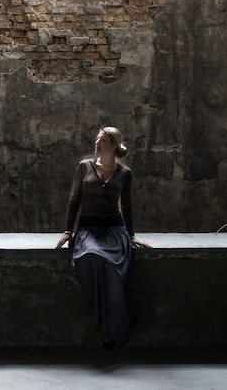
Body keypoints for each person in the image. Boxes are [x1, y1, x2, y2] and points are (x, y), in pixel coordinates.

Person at [56, 127, 151, 349]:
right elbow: (74, 200)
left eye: (103, 140)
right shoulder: (84, 167)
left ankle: (113, 331)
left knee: (116, 270)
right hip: (89, 230)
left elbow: (126, 207)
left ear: (114, 145)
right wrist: (68, 230)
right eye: (97, 139)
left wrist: (131, 235)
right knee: (92, 256)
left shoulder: (125, 173)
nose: (97, 143)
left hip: (114, 229)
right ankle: (106, 323)